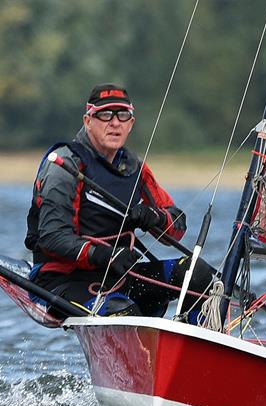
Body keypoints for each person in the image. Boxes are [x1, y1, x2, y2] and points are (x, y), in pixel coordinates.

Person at [25, 83, 215, 320]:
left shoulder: (135, 168)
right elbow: (52, 237)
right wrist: (107, 255)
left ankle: (190, 349)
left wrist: (154, 217)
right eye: (105, 115)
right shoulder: (64, 165)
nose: (115, 123)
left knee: (197, 273)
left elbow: (176, 227)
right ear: (87, 121)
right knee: (124, 312)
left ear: (131, 124)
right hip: (63, 280)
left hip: (119, 276)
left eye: (123, 115)